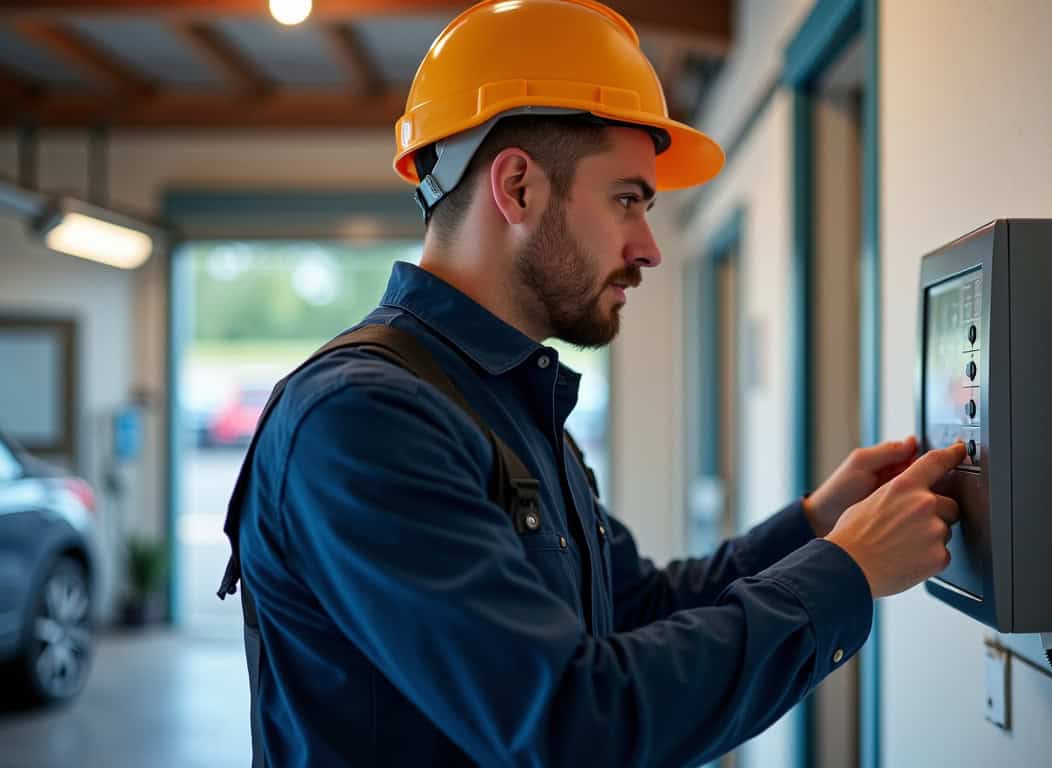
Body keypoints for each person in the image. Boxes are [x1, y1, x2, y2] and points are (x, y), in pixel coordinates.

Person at [227, 1, 965, 765]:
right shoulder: (363, 421)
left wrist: (819, 524)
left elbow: (633, 610)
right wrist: (844, 574)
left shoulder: (503, 402)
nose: (648, 248)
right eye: (627, 200)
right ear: (517, 188)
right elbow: (572, 726)